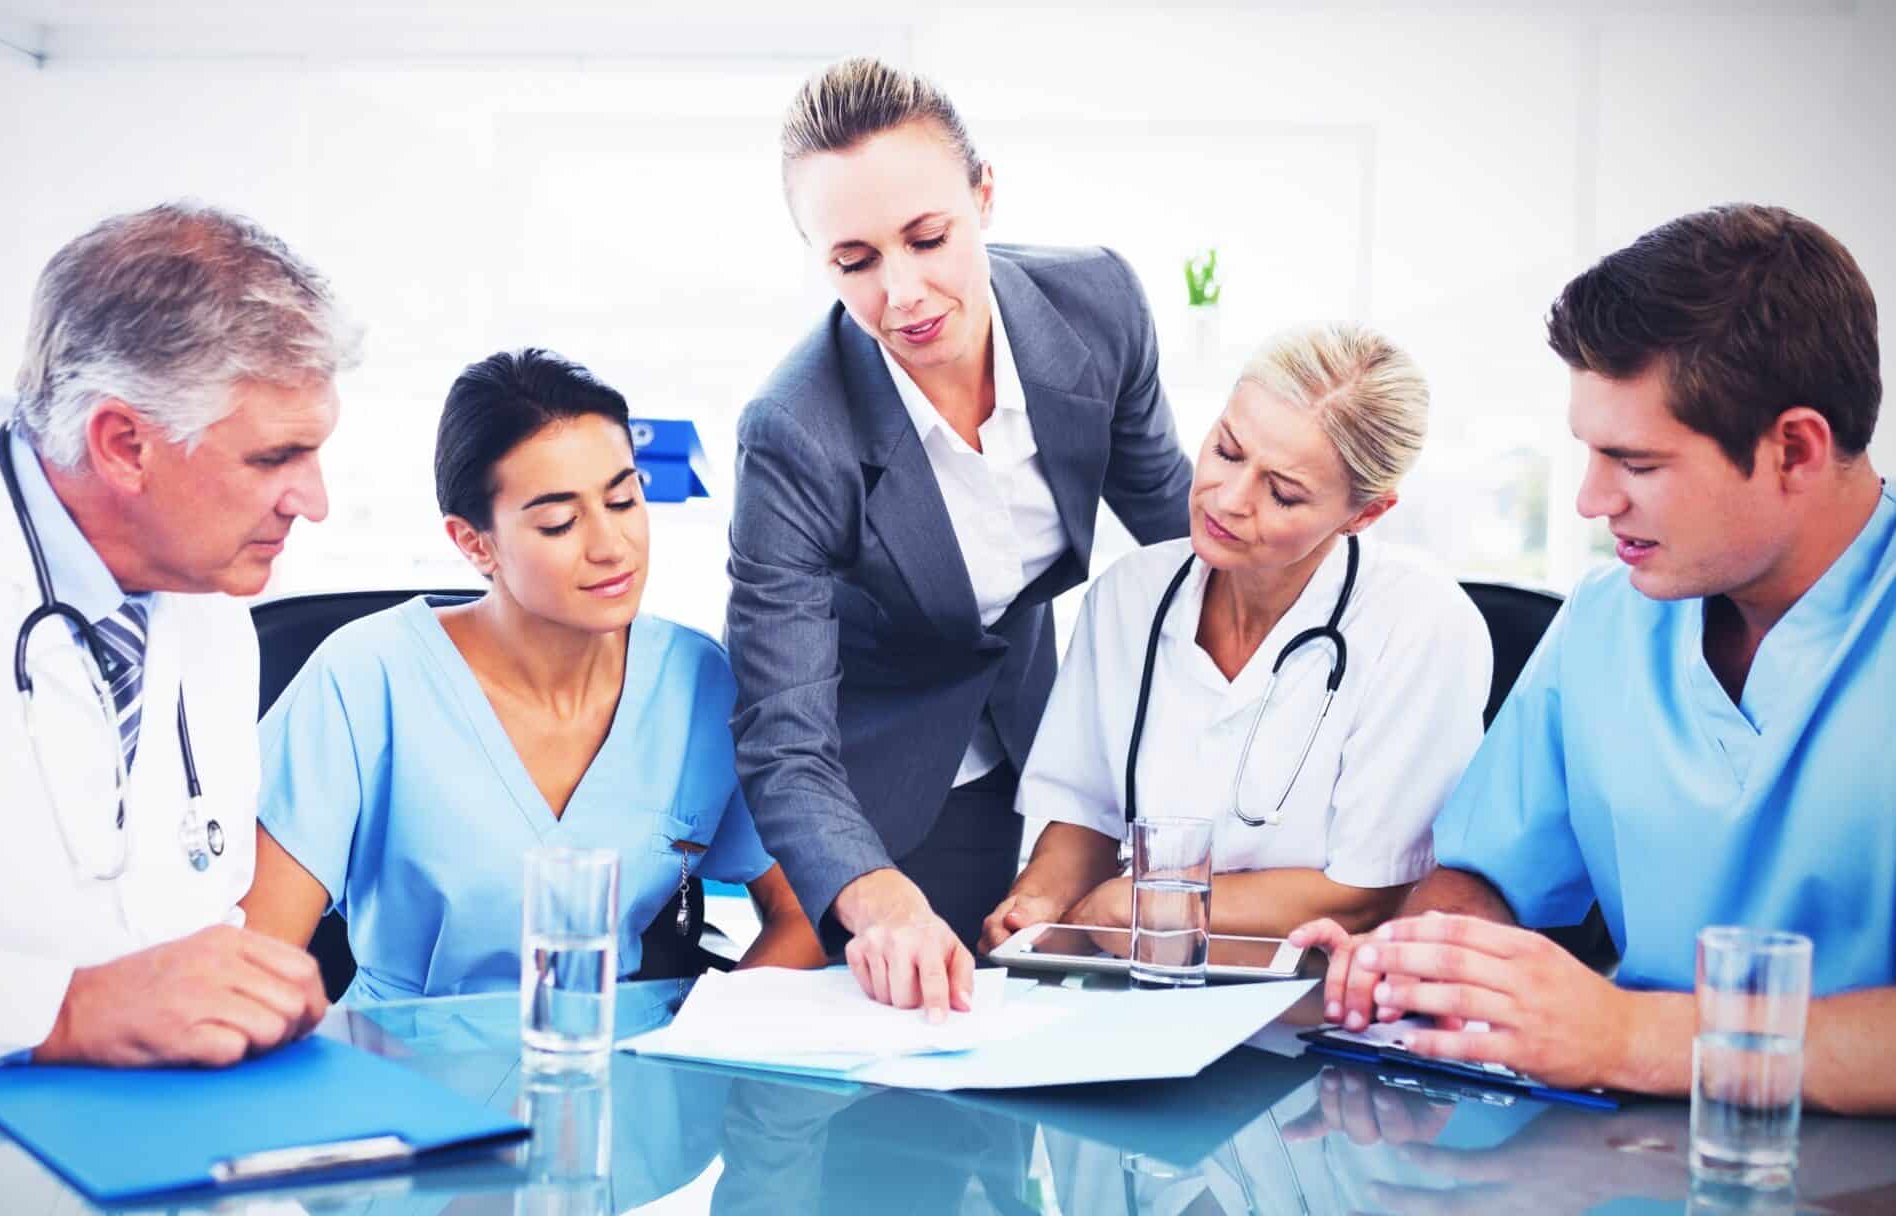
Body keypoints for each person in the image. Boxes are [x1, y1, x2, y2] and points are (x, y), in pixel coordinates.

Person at [1294, 204, 1896, 1114]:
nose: (1589, 499)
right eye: (1588, 450)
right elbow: (1491, 871)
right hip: (1623, 1157)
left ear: (1795, 449)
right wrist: (1423, 958)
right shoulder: (1608, 621)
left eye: (1636, 461)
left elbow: (1622, 1036)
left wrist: (1629, 1036)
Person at [726, 56, 1194, 1017]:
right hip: (874, 780)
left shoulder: (1097, 308)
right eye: (855, 261)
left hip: (1038, 734)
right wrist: (871, 886)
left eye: (929, 237)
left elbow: (1184, 546)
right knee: (899, 1086)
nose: (903, 292)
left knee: (1025, 1068)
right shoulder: (793, 430)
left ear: (984, 196)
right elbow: (783, 736)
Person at [242, 349, 823, 999]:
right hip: (403, 1069)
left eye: (624, 499)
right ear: (473, 542)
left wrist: (709, 1045)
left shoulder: (698, 682)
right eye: (559, 521)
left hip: (626, 1068)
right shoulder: (362, 681)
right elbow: (250, 961)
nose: (611, 544)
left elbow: (803, 911)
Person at [0, 203, 356, 1087]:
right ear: (124, 444)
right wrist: (68, 1009)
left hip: (149, 1162)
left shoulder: (207, 601)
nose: (311, 501)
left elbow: (188, 913)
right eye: (275, 457)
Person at [983, 324, 1491, 952]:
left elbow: (1368, 895)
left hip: (1310, 999)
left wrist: (1134, 904)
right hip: (1136, 974)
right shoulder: (1128, 594)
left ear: (1365, 514)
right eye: (1226, 451)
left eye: (1282, 493)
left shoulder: (1423, 623)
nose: (1228, 499)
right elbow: (1085, 816)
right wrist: (1037, 901)